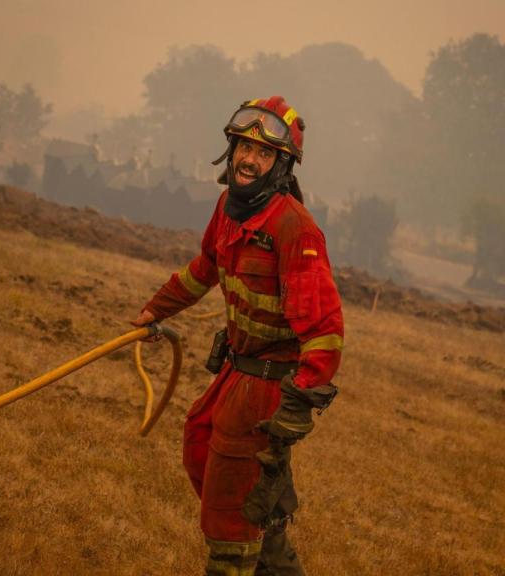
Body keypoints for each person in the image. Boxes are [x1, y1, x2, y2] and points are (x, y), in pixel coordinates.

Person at [131, 96, 344, 575]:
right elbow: (206, 267)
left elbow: (326, 332)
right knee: (202, 447)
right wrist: (156, 309)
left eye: (263, 153)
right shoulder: (228, 207)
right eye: (243, 147)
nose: (248, 159)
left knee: (230, 505)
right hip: (236, 374)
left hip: (268, 387)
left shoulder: (295, 229)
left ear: (282, 165)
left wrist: (296, 407)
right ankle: (268, 551)